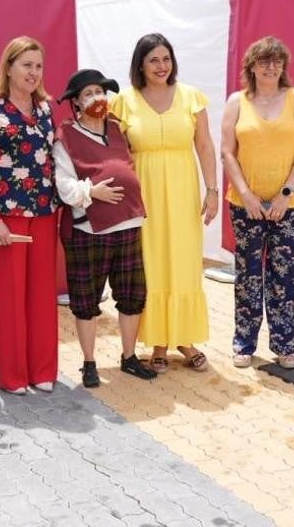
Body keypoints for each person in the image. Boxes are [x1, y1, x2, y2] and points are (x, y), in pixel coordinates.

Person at [110, 33, 219, 373]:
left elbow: (204, 145)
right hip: (143, 197)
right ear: (140, 64)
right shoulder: (124, 102)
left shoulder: (191, 97)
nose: (162, 66)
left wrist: (212, 190)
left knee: (185, 263)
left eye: (166, 58)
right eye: (154, 59)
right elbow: (115, 153)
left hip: (183, 193)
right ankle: (157, 341)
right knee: (151, 265)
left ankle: (185, 340)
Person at [0, 36, 59, 395]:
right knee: (10, 299)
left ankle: (43, 370)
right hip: (7, 217)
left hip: (45, 213)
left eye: (38, 66)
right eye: (26, 65)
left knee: (41, 296)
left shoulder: (46, 108)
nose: (33, 72)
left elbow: (53, 161)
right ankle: (13, 376)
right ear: (9, 67)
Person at [52, 69, 159, 387]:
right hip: (89, 232)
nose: (95, 98)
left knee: (132, 294)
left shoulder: (117, 128)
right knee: (86, 300)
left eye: (99, 91)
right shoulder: (66, 136)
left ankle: (128, 357)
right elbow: (62, 184)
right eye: (87, 94)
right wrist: (92, 192)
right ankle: (88, 363)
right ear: (76, 104)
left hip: (128, 224)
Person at [220, 37, 294, 371]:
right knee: (247, 275)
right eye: (264, 61)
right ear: (252, 66)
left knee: (283, 275)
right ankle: (243, 343)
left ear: (284, 65)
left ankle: (285, 343)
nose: (271, 67)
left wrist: (285, 195)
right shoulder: (237, 102)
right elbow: (227, 151)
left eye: (276, 61)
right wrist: (245, 193)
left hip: (289, 206)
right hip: (246, 206)